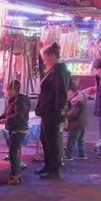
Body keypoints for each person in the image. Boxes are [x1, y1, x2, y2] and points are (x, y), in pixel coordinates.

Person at [34, 43, 71, 180]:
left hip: (52, 113)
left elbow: (60, 94)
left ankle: (54, 169)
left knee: (52, 141)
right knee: (46, 139)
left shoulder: (58, 72)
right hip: (47, 111)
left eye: (45, 58)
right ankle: (48, 166)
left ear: (52, 57)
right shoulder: (54, 71)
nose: (44, 61)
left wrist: (59, 112)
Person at [0, 79, 31, 185]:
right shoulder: (13, 100)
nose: (5, 92)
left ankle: (14, 176)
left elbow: (18, 116)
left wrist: (6, 120)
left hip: (18, 129)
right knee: (13, 153)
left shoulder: (20, 101)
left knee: (13, 153)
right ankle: (16, 175)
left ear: (13, 90)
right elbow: (5, 114)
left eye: (7, 90)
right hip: (14, 129)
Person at [64, 88, 88, 160]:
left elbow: (73, 114)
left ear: (72, 92)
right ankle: (82, 154)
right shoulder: (81, 97)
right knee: (80, 139)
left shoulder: (75, 101)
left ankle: (68, 155)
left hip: (76, 124)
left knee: (72, 140)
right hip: (82, 123)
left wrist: (65, 115)